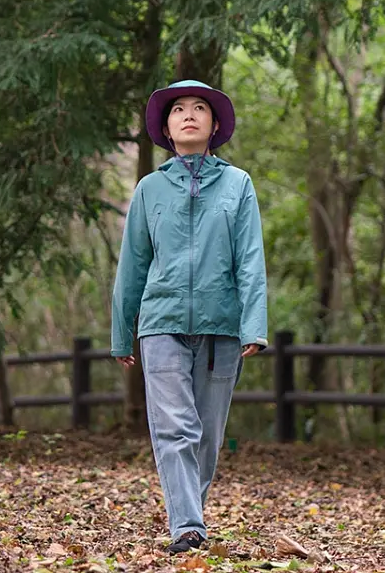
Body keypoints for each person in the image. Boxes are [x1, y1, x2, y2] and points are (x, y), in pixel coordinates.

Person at [110, 79, 269, 555]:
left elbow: (250, 260)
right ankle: (188, 527)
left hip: (223, 326)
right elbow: (133, 264)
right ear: (167, 127)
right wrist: (123, 333)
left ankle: (188, 519)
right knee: (175, 426)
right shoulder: (149, 189)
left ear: (215, 125)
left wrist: (253, 325)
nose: (189, 115)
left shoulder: (238, 184)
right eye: (178, 109)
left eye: (200, 108)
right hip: (161, 323)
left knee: (208, 436)